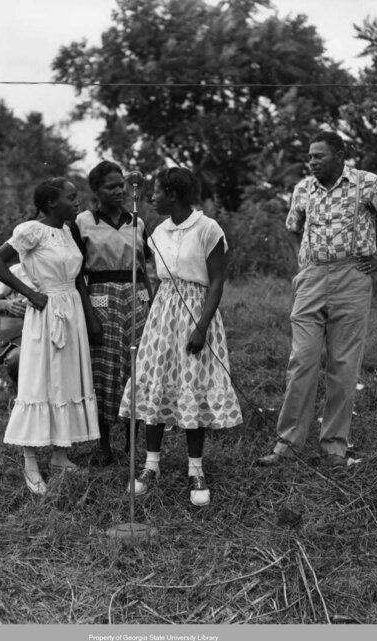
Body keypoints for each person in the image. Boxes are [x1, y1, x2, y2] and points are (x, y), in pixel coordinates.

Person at [257, 131, 377, 469]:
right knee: (302, 360)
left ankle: (333, 447)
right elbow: (292, 226)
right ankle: (287, 443)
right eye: (310, 156)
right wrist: (302, 262)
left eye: (319, 155)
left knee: (343, 366)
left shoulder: (368, 184)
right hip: (312, 277)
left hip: (352, 276)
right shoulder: (303, 189)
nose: (312, 161)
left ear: (341, 155)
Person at [118, 167, 242, 507]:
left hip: (197, 312)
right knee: (155, 384)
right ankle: (150, 466)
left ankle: (195, 470)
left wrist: (201, 326)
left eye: (156, 191)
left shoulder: (207, 228)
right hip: (163, 313)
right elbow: (158, 279)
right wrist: (151, 321)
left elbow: (216, 282)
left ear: (173, 194)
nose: (151, 197)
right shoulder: (157, 231)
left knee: (191, 386)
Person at [0, 177, 101, 496]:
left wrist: (89, 317)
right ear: (51, 203)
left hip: (71, 310)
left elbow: (76, 278)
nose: (77, 202)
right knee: (39, 381)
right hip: (46, 310)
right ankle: (30, 463)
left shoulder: (66, 231)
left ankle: (60, 456)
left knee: (64, 381)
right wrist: (30, 293)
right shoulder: (30, 230)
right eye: (71, 197)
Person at [71, 160, 154, 465]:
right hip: (101, 297)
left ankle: (132, 445)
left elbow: (144, 267)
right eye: (111, 186)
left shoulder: (137, 222)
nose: (119, 190)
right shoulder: (82, 222)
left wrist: (152, 301)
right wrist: (89, 314)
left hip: (134, 299)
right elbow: (77, 273)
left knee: (136, 368)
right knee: (103, 369)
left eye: (122, 185)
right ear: (96, 191)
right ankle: (104, 445)